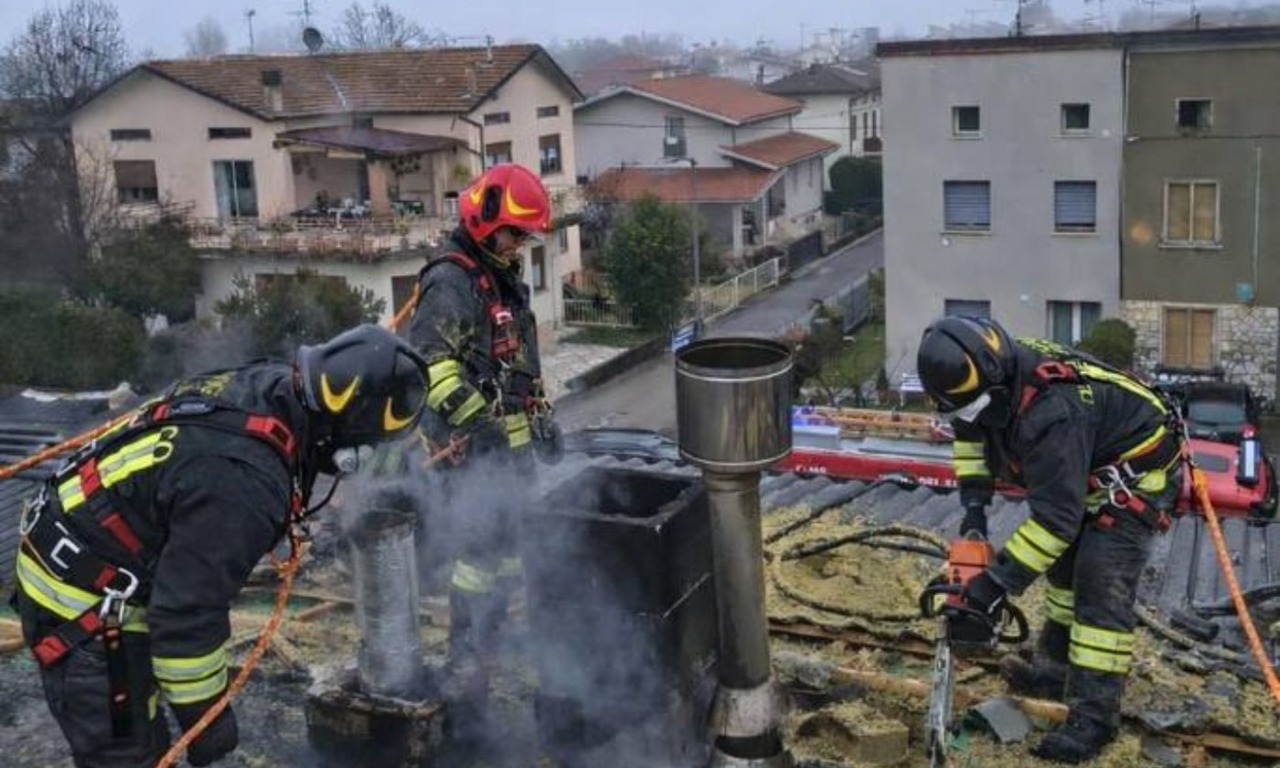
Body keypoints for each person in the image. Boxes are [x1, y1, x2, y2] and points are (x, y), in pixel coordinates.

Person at [13, 324, 427, 768]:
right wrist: (206, 718)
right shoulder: (243, 484)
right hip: (82, 604)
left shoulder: (271, 386)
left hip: (94, 547)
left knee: (144, 737)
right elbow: (186, 615)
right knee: (127, 755)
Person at [916, 316, 1183, 764]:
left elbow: (1057, 520)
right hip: (1083, 466)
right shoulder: (983, 382)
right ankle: (1054, 675)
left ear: (997, 386)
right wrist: (975, 508)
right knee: (1062, 577)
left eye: (975, 407)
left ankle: (1094, 718)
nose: (970, 416)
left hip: (1134, 478)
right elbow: (970, 436)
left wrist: (994, 585)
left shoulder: (1051, 411)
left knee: (1099, 588)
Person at [407, 162, 561, 719]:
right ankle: (465, 660)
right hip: (472, 455)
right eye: (514, 233)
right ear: (485, 221)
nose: (520, 244)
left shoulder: (499, 276)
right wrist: (481, 427)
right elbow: (431, 370)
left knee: (510, 550)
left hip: (509, 451)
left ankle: (491, 638)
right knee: (478, 556)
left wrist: (541, 419)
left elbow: (516, 361)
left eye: (525, 236)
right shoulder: (451, 282)